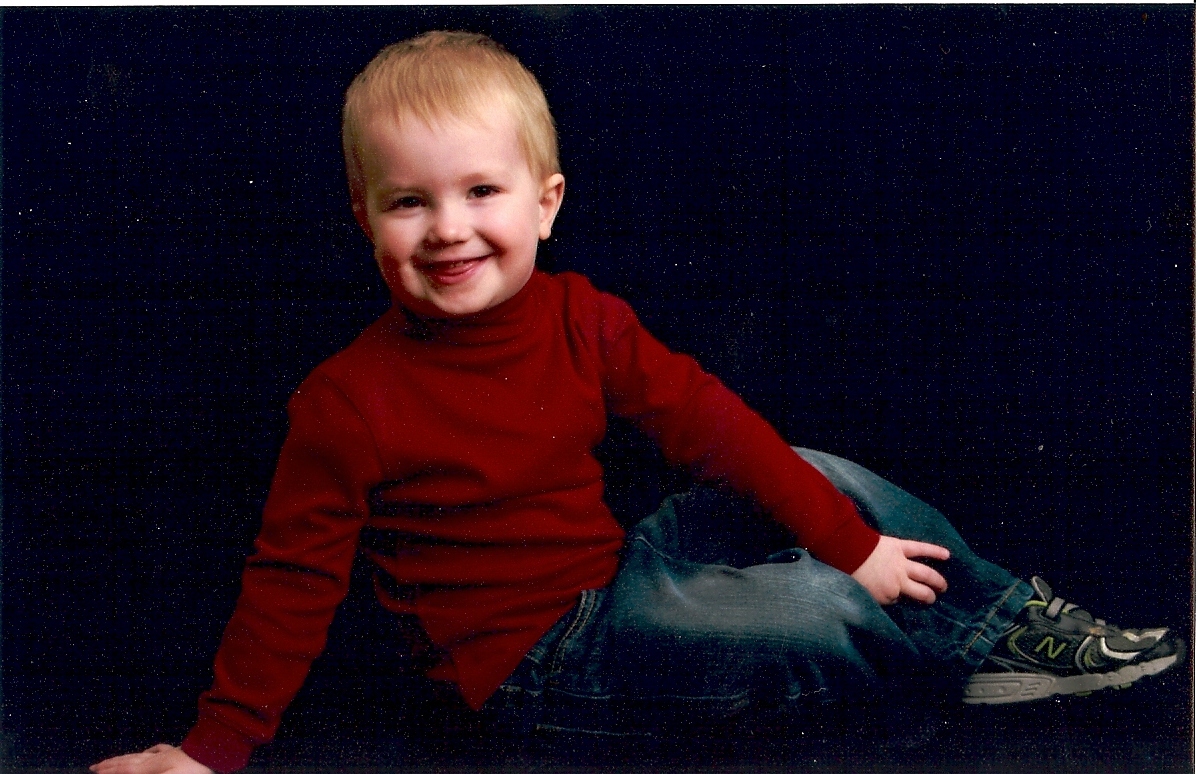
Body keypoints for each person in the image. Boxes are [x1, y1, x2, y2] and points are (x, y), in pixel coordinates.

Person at [91, 31, 1185, 774]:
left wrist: (851, 541)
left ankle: (1006, 628)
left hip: (619, 573)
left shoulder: (583, 318)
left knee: (816, 478)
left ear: (545, 202)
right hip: (531, 668)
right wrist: (209, 752)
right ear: (363, 213)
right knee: (816, 608)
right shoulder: (347, 401)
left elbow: (717, 430)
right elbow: (289, 585)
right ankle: (948, 672)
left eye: (481, 191)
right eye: (408, 201)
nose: (448, 228)